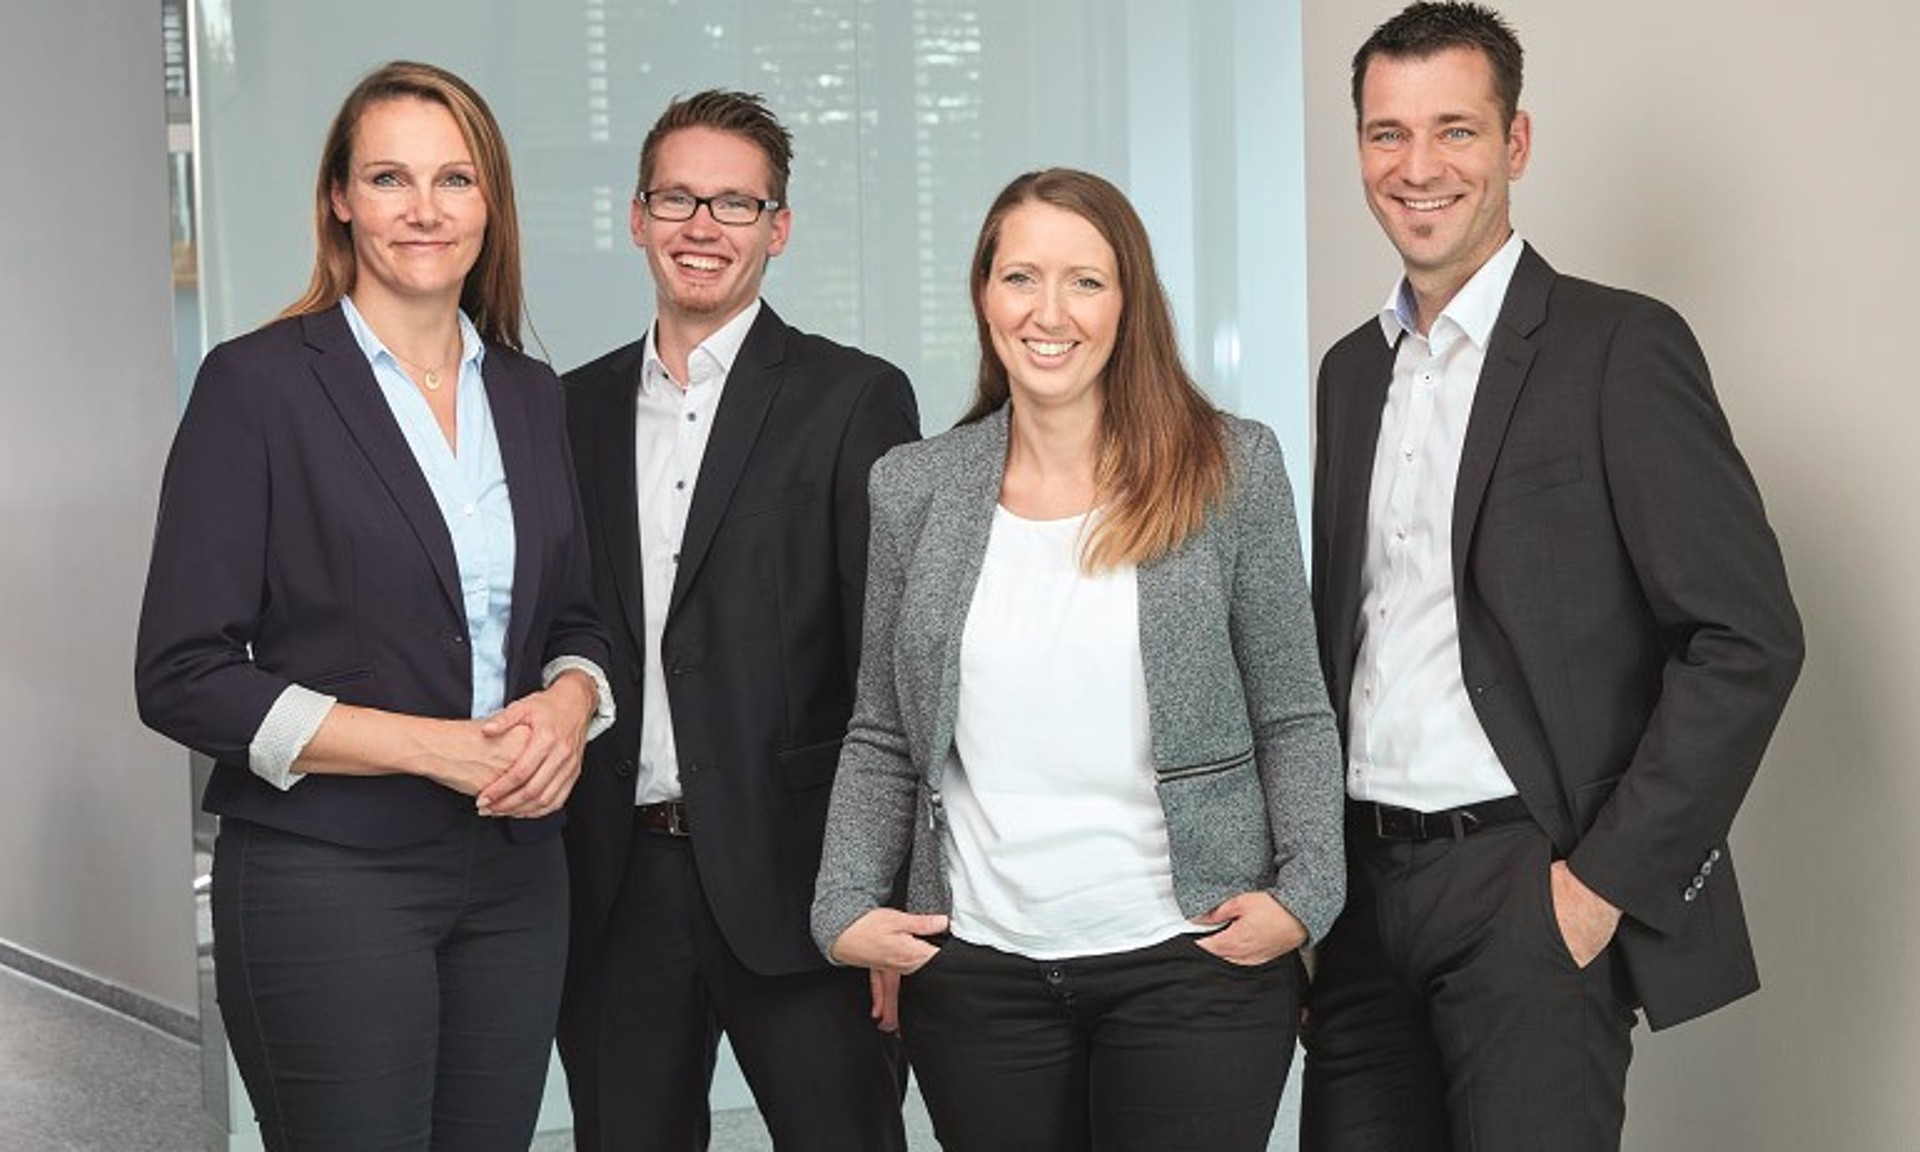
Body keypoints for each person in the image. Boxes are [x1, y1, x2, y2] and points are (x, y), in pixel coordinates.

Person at [1300, 5, 1805, 1150]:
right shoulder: (1349, 373)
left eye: (1454, 130)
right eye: (1387, 134)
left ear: (1515, 143)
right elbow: (1347, 643)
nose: (1418, 167)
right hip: (1363, 903)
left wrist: (1597, 888)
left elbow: (1748, 639)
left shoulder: (1617, 347)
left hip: (1527, 891)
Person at [812, 167, 1346, 1152]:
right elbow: (884, 730)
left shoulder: (1229, 468)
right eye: (1020, 277)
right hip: (978, 979)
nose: (1048, 312)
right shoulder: (914, 488)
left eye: (1085, 281)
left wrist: (1307, 896)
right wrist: (843, 903)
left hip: (1193, 962)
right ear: (984, 295)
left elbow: (1292, 709)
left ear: (1128, 302)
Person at [135, 61, 614, 1150]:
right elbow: (181, 673)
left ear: (489, 206)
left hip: (516, 878)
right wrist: (432, 749)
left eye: (455, 179)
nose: (424, 209)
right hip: (326, 875)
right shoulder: (257, 386)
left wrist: (570, 704)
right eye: (390, 177)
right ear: (340, 199)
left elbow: (574, 618)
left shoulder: (530, 395)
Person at [556, 90, 919, 1151]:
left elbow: (892, 664)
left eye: (734, 203)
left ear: (778, 228)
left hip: (807, 884)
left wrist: (887, 898)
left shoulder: (852, 399)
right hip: (618, 884)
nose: (702, 226)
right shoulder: (566, 410)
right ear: (637, 218)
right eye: (677, 199)